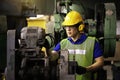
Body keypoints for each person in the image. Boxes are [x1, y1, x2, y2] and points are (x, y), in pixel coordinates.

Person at [50, 10, 104, 80]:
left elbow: (100, 62)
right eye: (66, 26)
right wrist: (47, 47)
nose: (68, 29)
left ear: (80, 27)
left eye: (71, 26)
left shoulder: (92, 42)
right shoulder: (63, 43)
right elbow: (52, 56)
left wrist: (86, 69)